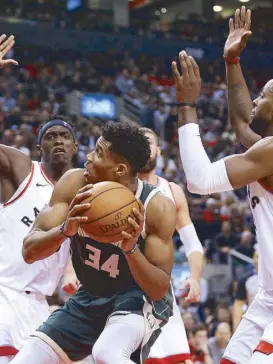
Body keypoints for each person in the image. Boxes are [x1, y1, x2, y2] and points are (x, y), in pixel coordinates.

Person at [171, 6, 273, 363]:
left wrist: (186, 106)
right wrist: (232, 61)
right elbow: (244, 122)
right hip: (272, 297)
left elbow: (199, 180)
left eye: (263, 96)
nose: (256, 98)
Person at [11, 122, 177, 364]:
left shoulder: (156, 206)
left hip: (138, 298)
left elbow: (158, 289)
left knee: (107, 353)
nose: (88, 156)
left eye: (98, 153)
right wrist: (64, 230)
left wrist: (130, 249)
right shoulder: (74, 183)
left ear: (120, 169)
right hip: (90, 294)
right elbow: (29, 251)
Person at [0, 34, 77, 363]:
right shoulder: (21, 169)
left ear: (75, 147)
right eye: (50, 136)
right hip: (4, 293)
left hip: (41, 305)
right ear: (38, 147)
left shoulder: (84, 191)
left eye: (64, 136)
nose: (58, 141)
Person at [138, 127, 204, 363]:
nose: (145, 147)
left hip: (159, 291)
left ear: (158, 150)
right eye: (139, 142)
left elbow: (193, 244)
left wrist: (195, 278)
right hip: (123, 287)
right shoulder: (116, 188)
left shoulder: (173, 191)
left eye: (149, 143)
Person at [232, 246, 259, 330]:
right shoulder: (245, 280)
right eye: (257, 257)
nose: (259, 260)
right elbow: (238, 305)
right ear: (253, 259)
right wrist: (236, 328)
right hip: (253, 321)